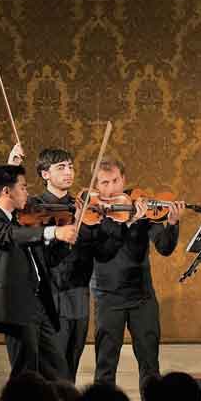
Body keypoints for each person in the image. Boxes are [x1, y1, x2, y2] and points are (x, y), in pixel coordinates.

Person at [91, 157, 185, 396]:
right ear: (96, 185)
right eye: (104, 183)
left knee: (150, 368)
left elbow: (164, 247)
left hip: (142, 297)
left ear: (123, 179)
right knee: (105, 368)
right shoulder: (93, 212)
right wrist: (128, 222)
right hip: (108, 297)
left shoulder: (141, 206)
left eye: (115, 181)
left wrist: (172, 223)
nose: (111, 188)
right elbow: (103, 251)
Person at [30, 148, 123, 383]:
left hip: (80, 297)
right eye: (61, 167)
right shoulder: (36, 207)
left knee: (70, 370)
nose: (69, 172)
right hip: (49, 298)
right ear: (45, 174)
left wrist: (114, 225)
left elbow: (104, 254)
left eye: (70, 166)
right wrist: (73, 221)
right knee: (51, 373)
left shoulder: (85, 206)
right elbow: (43, 253)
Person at [0, 165, 76, 379]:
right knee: (25, 376)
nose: (27, 193)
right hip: (17, 310)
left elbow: (46, 260)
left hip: (39, 306)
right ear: (6, 191)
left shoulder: (22, 220)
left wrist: (64, 242)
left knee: (59, 372)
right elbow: (12, 235)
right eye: (23, 187)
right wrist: (53, 231)